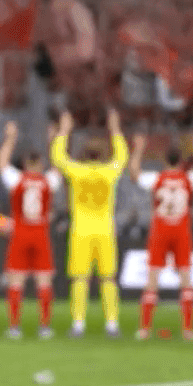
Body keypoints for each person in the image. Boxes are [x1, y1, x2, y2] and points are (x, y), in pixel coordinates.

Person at [52, 109, 129, 338]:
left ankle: (78, 324)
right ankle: (112, 324)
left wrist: (64, 130)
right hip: (105, 229)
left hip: (81, 231)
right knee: (108, 279)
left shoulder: (77, 172)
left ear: (83, 154)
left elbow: (58, 158)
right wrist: (115, 129)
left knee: (80, 278)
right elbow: (122, 157)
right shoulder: (109, 172)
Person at [129, 131, 193, 341]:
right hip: (182, 232)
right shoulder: (189, 178)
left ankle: (144, 329)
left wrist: (138, 149)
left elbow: (135, 174)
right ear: (181, 161)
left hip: (160, 232)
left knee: (152, 280)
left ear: (164, 161)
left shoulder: (157, 178)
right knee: (186, 281)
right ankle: (188, 330)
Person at [0, 120, 62, 339]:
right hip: (40, 234)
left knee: (16, 282)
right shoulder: (47, 181)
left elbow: (1, 163)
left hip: (20, 234)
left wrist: (10, 138)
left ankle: (14, 327)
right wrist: (53, 140)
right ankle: (45, 327)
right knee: (44, 282)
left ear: (24, 163)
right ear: (40, 163)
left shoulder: (17, 180)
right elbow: (59, 167)